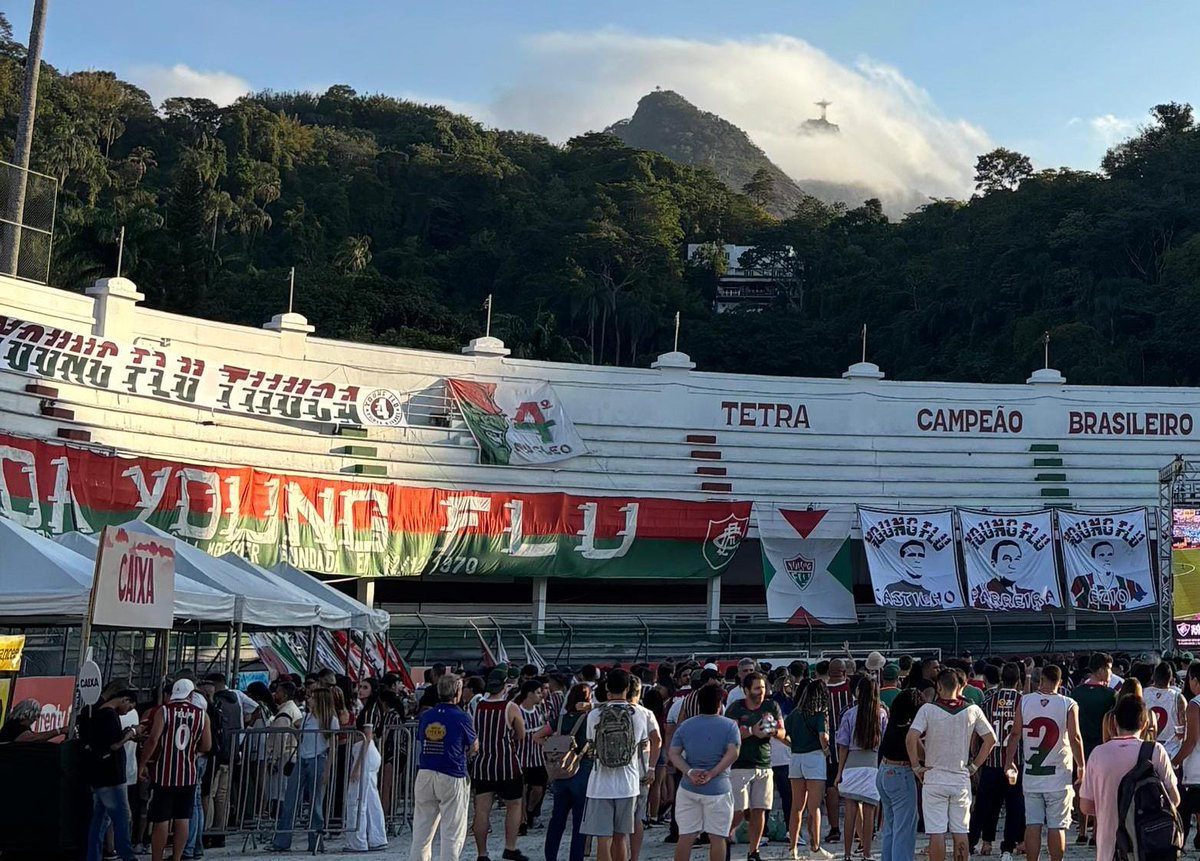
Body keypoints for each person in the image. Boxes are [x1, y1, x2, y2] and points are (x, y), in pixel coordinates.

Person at [906, 668, 997, 861]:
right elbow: (991, 739)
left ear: (939, 687)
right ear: (960, 686)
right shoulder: (972, 710)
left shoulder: (928, 710)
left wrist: (916, 766)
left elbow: (911, 737)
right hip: (960, 777)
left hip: (934, 777)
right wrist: (974, 766)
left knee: (936, 832)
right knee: (961, 830)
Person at [1080, 695, 1179, 861]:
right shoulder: (1155, 751)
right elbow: (1174, 799)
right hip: (1148, 845)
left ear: (1114, 722)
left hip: (1110, 847)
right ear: (1144, 723)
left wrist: (1109, 808)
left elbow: (1086, 806)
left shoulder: (1098, 753)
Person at [1005, 664, 1083, 861]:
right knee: (1057, 826)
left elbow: (1015, 734)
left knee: (1033, 824)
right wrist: (1082, 765)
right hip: (1058, 776)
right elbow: (1074, 737)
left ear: (1041, 680)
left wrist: (1009, 762)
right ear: (1060, 682)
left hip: (1032, 775)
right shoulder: (1069, 704)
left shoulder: (1025, 701)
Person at [582, 668, 652, 861]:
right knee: (621, 838)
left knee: (603, 840)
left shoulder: (595, 715)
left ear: (607, 688)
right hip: (628, 784)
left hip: (599, 785)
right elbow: (642, 743)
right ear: (628, 688)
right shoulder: (638, 714)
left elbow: (591, 745)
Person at [138, 679, 212, 861]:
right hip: (188, 774)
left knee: (161, 819)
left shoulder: (164, 711)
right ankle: (177, 857)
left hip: (164, 774)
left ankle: (157, 857)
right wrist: (193, 752)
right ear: (191, 694)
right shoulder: (202, 715)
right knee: (182, 818)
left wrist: (142, 764)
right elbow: (207, 746)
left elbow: (153, 739)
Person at [668, 683, 740, 861]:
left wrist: (689, 771)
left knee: (686, 836)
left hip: (689, 787)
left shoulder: (686, 725)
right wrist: (713, 773)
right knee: (718, 838)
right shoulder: (730, 726)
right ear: (720, 704)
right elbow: (733, 753)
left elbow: (673, 753)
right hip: (718, 788)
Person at [410, 675, 477, 861]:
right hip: (452, 772)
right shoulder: (462, 717)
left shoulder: (427, 716)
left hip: (426, 771)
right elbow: (474, 746)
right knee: (452, 832)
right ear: (457, 693)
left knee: (422, 831)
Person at [272, 686, 339, 853]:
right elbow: (299, 730)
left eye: (312, 697)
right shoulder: (307, 716)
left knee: (316, 803)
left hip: (318, 758)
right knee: (290, 800)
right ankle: (282, 841)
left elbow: (333, 747)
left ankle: (315, 841)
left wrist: (328, 769)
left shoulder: (330, 720)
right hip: (302, 758)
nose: (309, 700)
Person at [725, 671, 783, 861]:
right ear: (746, 690)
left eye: (763, 687)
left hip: (764, 763)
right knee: (739, 810)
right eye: (757, 688)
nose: (761, 692)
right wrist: (752, 731)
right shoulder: (736, 708)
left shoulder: (771, 706)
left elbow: (782, 731)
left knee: (760, 808)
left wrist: (772, 731)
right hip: (740, 765)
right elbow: (729, 735)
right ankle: (724, 838)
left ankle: (754, 851)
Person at [969, 661, 1025, 861]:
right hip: (1015, 762)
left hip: (991, 760)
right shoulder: (1023, 702)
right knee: (1014, 806)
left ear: (1001, 679)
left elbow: (976, 733)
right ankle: (1008, 847)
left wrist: (975, 757)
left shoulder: (988, 700)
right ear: (1018, 680)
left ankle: (978, 842)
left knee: (985, 805)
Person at [471, 668, 528, 861]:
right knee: (514, 805)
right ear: (505, 686)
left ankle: (482, 853)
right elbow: (521, 734)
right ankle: (510, 847)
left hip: (483, 764)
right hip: (506, 764)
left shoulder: (478, 706)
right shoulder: (510, 707)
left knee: (482, 810)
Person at [84, 687, 142, 861]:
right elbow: (115, 743)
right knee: (122, 817)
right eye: (130, 707)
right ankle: (127, 855)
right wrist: (132, 732)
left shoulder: (99, 714)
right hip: (112, 776)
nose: (128, 711)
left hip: (101, 775)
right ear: (124, 699)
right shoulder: (108, 715)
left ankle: (93, 856)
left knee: (100, 820)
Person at [834, 675, 885, 861]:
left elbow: (843, 745)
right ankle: (867, 854)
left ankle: (847, 854)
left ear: (858, 692)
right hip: (872, 765)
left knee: (850, 813)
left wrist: (839, 772)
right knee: (870, 813)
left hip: (851, 765)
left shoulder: (849, 714)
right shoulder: (881, 714)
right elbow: (884, 743)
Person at [544, 683, 594, 861]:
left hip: (561, 771)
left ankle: (550, 856)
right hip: (582, 769)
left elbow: (537, 735)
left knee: (557, 819)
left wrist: (552, 748)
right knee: (580, 821)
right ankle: (576, 857)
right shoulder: (589, 719)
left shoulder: (560, 720)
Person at [1071, 651, 1116, 845]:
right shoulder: (1109, 695)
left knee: (1081, 788)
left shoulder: (1076, 693)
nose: (1110, 673)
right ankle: (1096, 832)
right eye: (1109, 669)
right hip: (1102, 748)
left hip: (1079, 748)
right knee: (1101, 791)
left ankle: (1081, 830)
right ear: (1101, 669)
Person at [785, 679, 834, 860]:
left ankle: (793, 849)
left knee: (796, 807)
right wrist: (826, 749)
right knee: (814, 807)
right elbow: (823, 736)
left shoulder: (794, 714)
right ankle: (815, 848)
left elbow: (784, 734)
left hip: (796, 758)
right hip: (814, 757)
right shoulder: (819, 713)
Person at [876, 689, 923, 861]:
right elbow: (922, 753)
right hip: (901, 774)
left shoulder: (894, 723)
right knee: (904, 829)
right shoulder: (908, 730)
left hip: (884, 771)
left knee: (891, 827)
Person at [626, 676, 662, 861]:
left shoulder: (604, 711)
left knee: (616, 823)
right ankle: (634, 857)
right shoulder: (645, 713)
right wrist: (652, 767)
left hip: (613, 773)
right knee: (637, 818)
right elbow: (657, 740)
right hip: (640, 771)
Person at [823, 658, 853, 845]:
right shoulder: (850, 690)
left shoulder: (822, 691)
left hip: (828, 747)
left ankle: (834, 829)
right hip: (851, 746)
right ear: (844, 672)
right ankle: (857, 829)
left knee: (831, 787)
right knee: (854, 787)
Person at [514, 679, 549, 833]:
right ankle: (522, 821)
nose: (541, 695)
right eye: (538, 692)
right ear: (529, 694)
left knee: (538, 790)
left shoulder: (540, 710)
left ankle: (530, 811)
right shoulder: (517, 711)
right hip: (520, 757)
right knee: (521, 790)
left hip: (538, 757)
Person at [1146, 661, 1186, 761]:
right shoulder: (1178, 698)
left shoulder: (1141, 694)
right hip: (1171, 751)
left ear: (1153, 677)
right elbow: (1184, 727)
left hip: (1146, 749)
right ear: (1171, 678)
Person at [0, 698, 65, 742]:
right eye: (35, 716)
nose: (36, 720)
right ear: (28, 714)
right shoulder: (14, 726)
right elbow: (33, 738)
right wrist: (59, 731)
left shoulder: (19, 725)